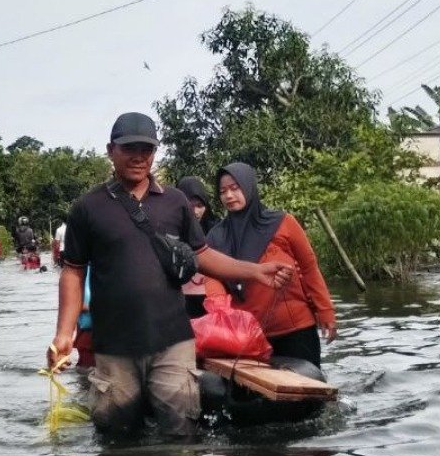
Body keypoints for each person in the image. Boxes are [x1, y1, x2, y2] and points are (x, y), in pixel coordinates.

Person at [47, 113, 294, 438]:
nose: (139, 156)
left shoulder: (175, 202)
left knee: (181, 430)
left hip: (172, 341)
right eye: (129, 148)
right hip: (114, 346)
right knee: (116, 433)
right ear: (110, 150)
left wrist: (256, 271)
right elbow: (74, 272)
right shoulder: (88, 207)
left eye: (147, 150)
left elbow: (203, 256)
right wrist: (64, 335)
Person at [203, 162, 336, 367]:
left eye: (235, 188)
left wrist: (325, 311)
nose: (229, 196)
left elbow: (309, 268)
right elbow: (211, 273)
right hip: (248, 337)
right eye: (223, 192)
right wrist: (220, 307)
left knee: (306, 391)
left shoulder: (283, 222)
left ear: (249, 187)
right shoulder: (216, 236)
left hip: (295, 330)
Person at [175, 177, 215, 319]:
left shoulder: (217, 230)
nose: (196, 211)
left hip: (211, 300)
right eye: (190, 206)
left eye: (200, 205)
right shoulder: (170, 232)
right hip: (179, 303)